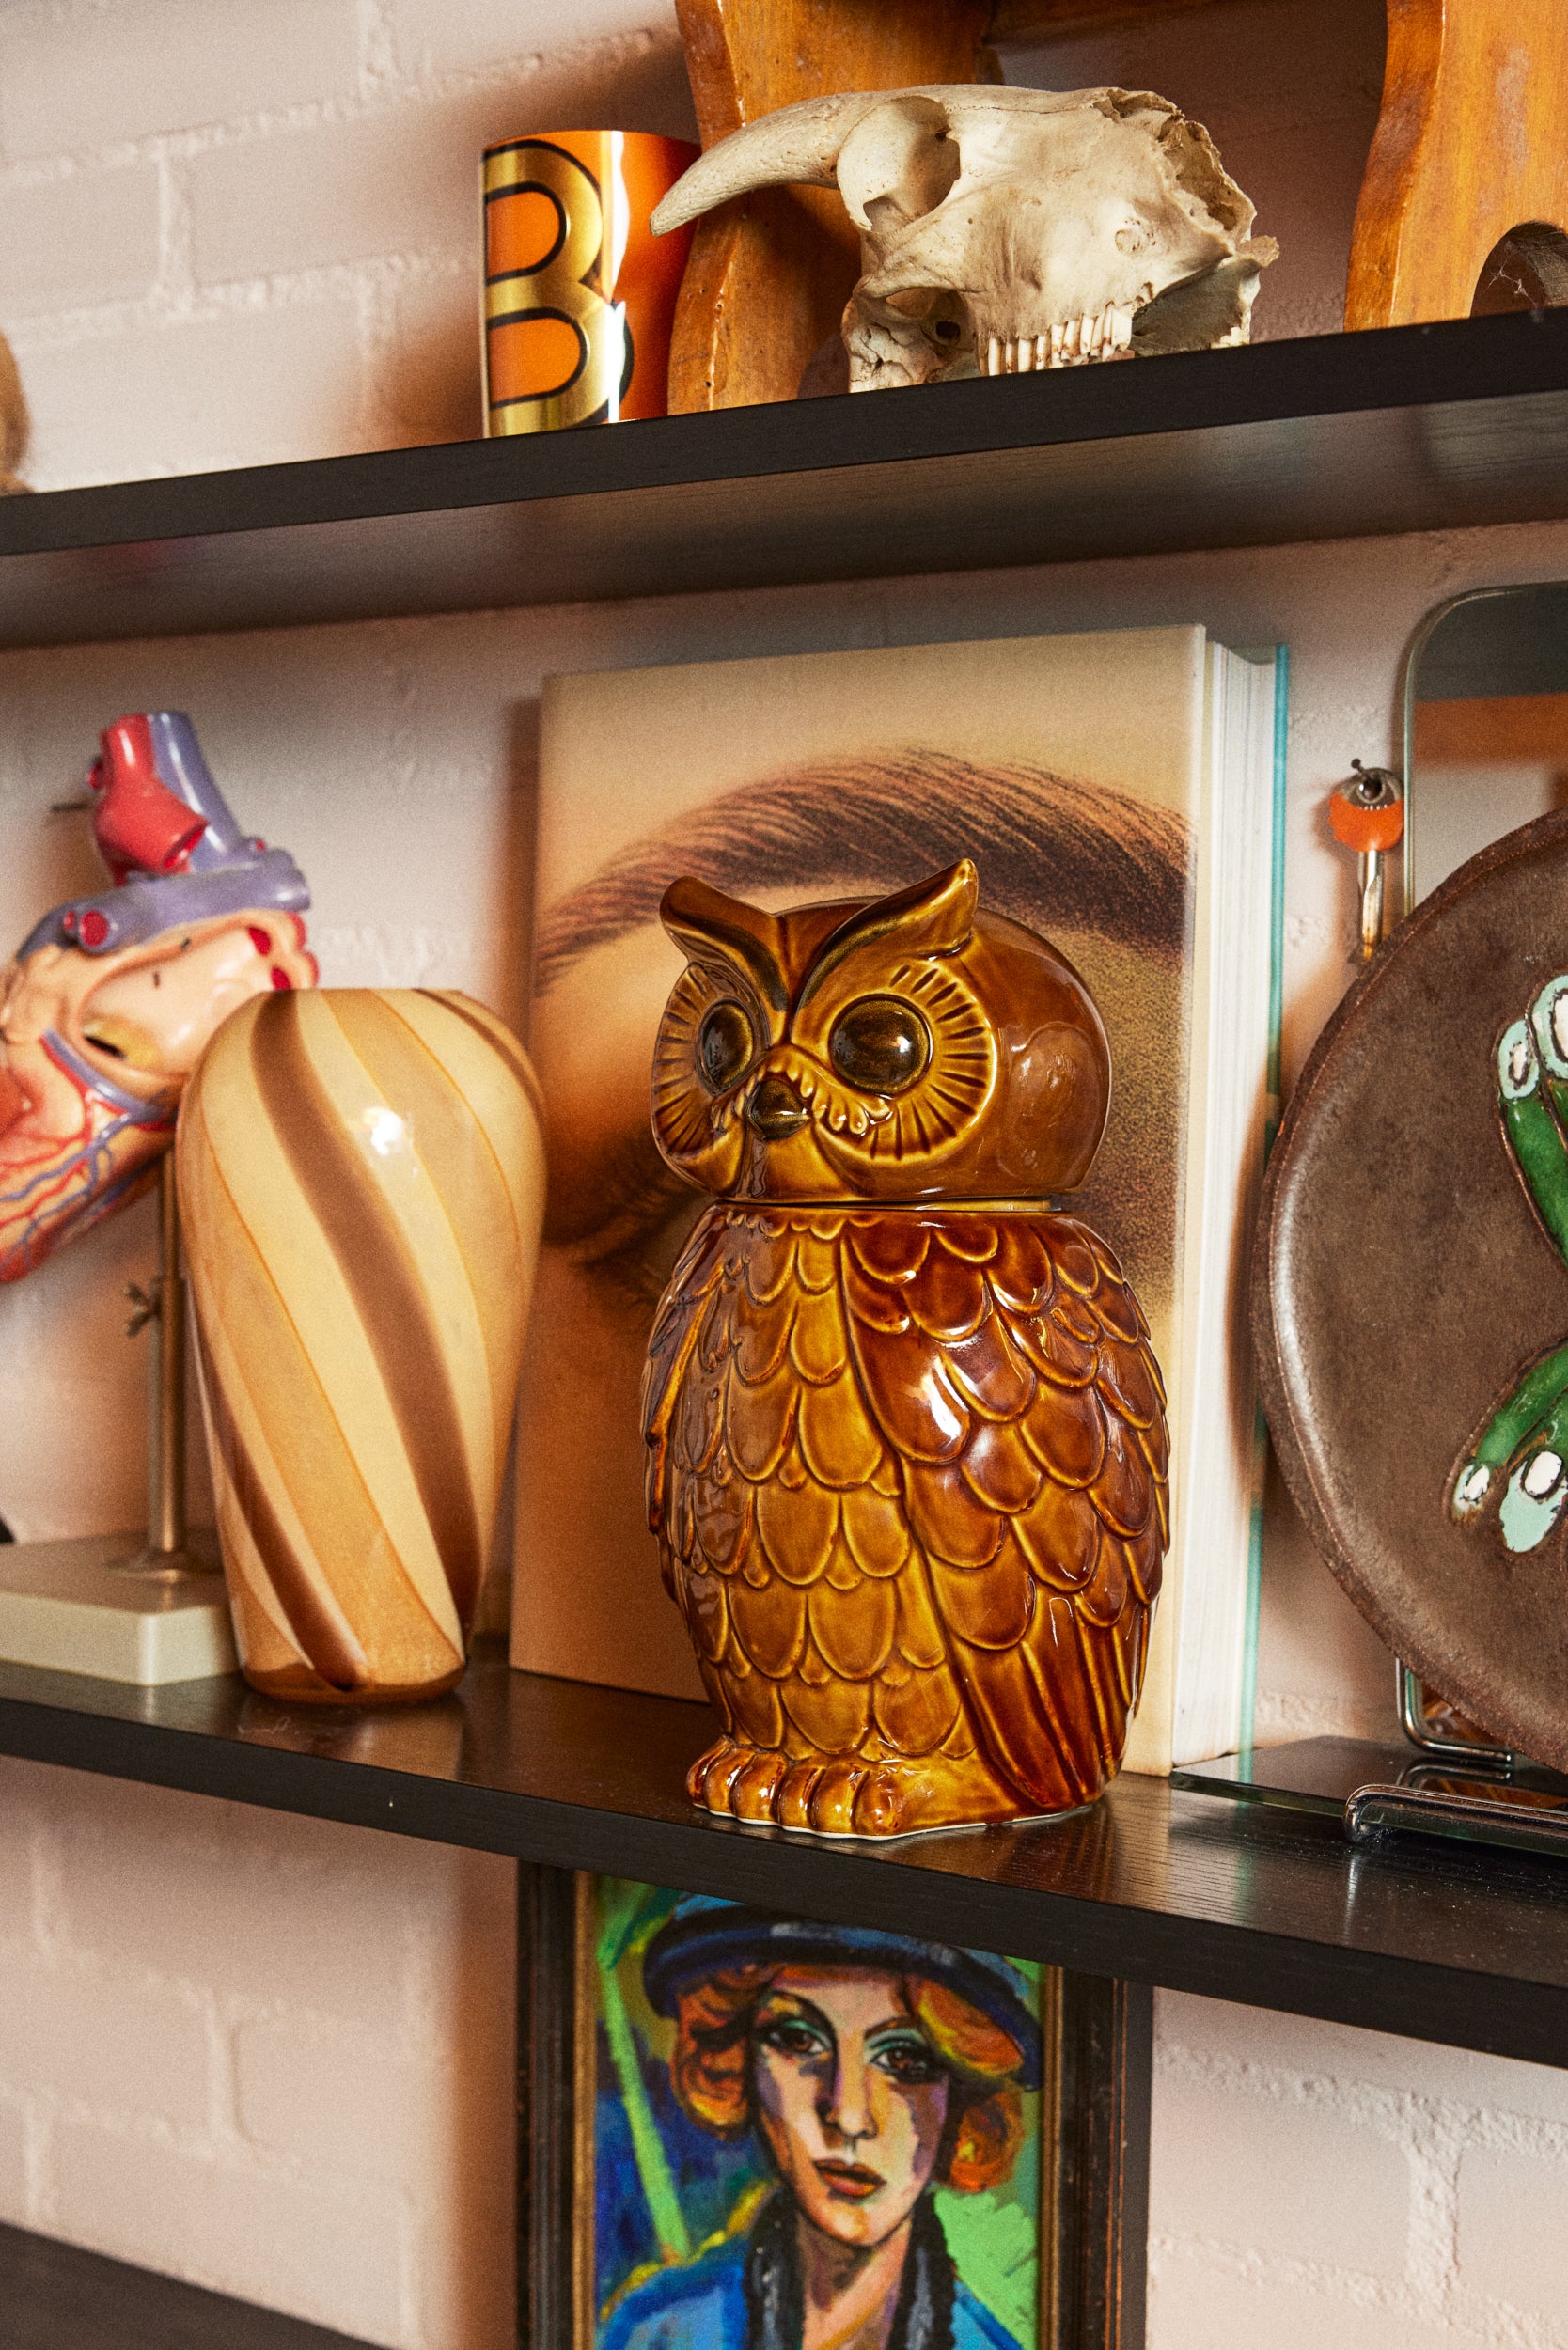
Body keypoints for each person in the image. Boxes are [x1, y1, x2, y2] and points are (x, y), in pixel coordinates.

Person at [600, 1898, 1041, 2350]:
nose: (849, 2116)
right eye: (798, 2039)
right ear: (740, 2056)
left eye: (902, 2059)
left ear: (961, 2094)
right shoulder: (658, 2335)